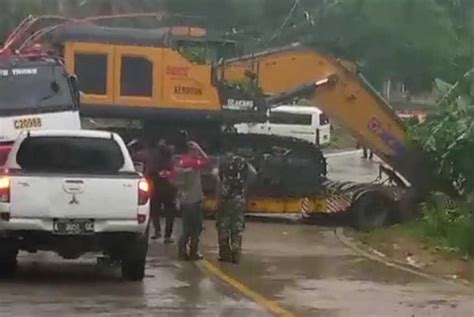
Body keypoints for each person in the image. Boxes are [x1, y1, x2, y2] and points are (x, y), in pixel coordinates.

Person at [172, 131, 210, 261]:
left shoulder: (181, 161)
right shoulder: (193, 162)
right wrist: (199, 147)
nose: (198, 152)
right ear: (193, 150)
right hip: (193, 200)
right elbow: (207, 160)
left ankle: (182, 252)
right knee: (196, 227)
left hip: (185, 200)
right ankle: (193, 252)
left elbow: (173, 178)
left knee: (186, 227)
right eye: (196, 150)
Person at [214, 152, 256, 263]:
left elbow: (218, 180)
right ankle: (236, 252)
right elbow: (253, 174)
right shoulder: (243, 163)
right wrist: (244, 187)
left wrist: (217, 200)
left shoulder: (222, 163)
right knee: (237, 226)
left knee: (223, 225)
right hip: (239, 199)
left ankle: (224, 253)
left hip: (225, 199)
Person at [152, 138, 177, 242]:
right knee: (169, 214)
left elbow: (149, 174)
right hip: (168, 190)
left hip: (157, 189)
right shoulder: (171, 162)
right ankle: (167, 236)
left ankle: (158, 231)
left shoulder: (155, 162)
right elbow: (176, 176)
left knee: (155, 212)